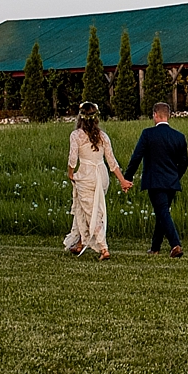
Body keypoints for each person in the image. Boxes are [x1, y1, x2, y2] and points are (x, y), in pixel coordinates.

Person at [65, 102, 130, 259]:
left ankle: (103, 247)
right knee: (84, 206)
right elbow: (112, 162)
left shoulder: (76, 135)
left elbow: (72, 158)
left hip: (87, 174)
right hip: (101, 174)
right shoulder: (103, 136)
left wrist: (70, 172)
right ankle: (80, 242)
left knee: (92, 212)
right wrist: (122, 180)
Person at [126, 101, 188, 257]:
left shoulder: (148, 134)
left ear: (155, 115)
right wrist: (176, 176)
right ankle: (155, 247)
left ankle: (176, 244)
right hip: (172, 181)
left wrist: (127, 176)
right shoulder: (179, 137)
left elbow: (137, 157)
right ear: (168, 116)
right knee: (163, 212)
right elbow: (184, 163)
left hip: (154, 180)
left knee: (162, 212)